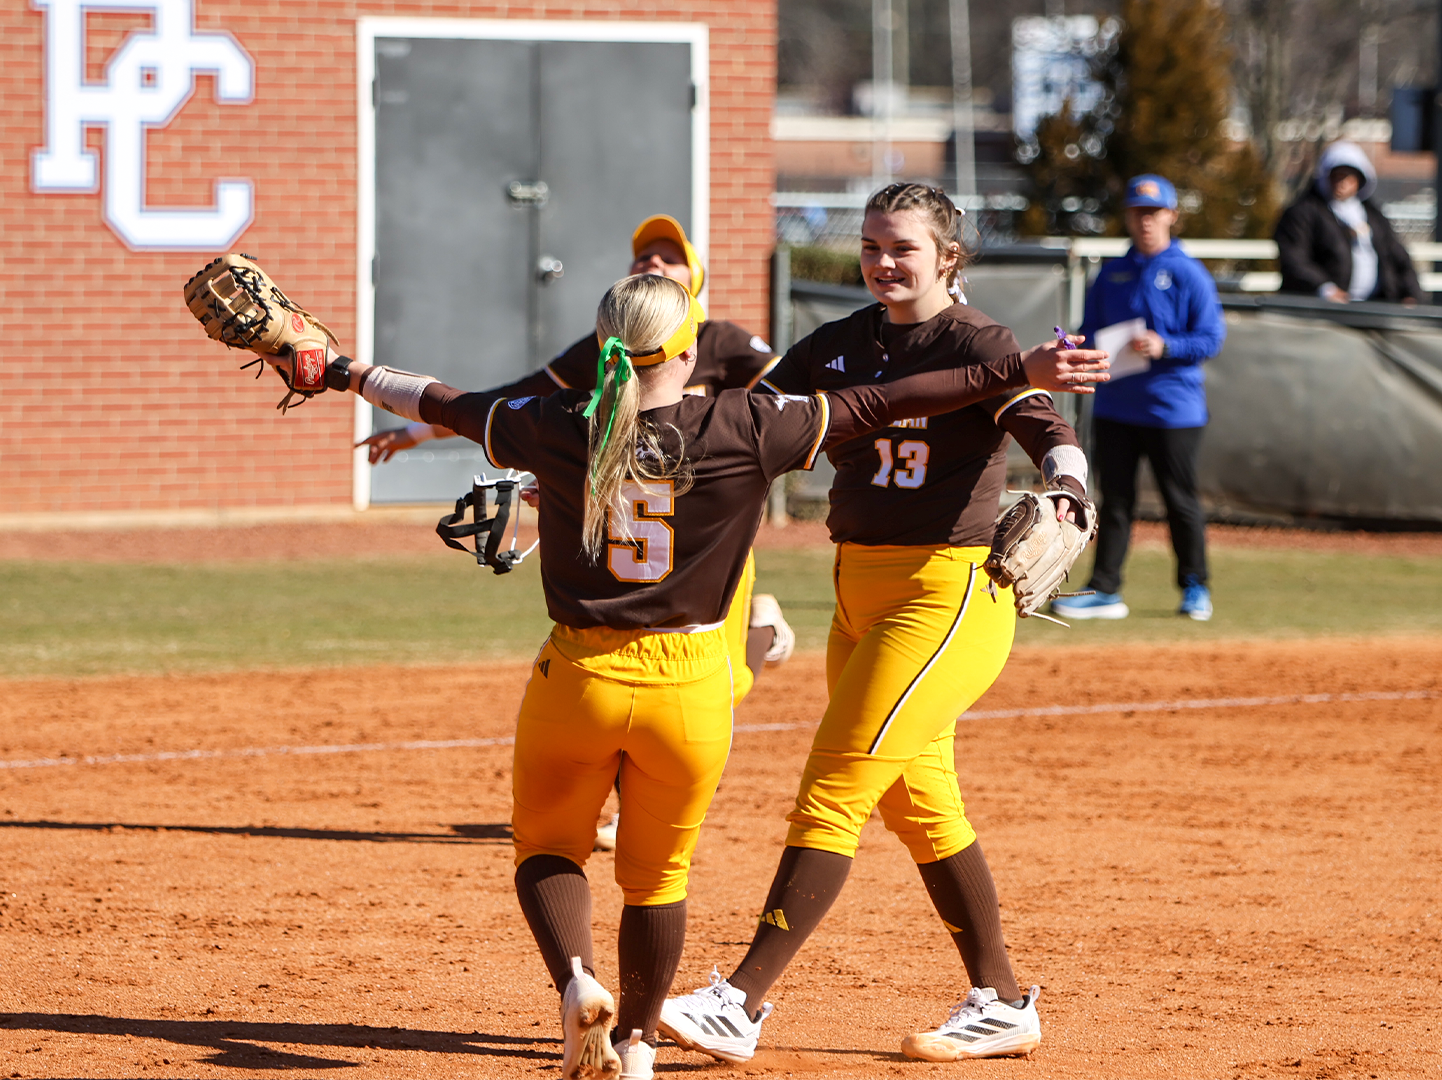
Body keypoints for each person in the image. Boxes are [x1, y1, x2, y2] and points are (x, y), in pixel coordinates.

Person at [304, 274, 1106, 1080]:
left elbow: (436, 398)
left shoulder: (556, 422)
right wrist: (1019, 370)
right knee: (662, 876)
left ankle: (594, 982)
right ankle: (642, 1044)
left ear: (604, 349)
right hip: (691, 686)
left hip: (579, 674)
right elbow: (888, 400)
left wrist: (339, 370)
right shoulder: (745, 424)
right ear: (691, 352)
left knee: (549, 846)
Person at [656, 183, 1094, 1065]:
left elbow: (1045, 425)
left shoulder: (979, 343)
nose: (883, 262)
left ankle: (740, 1000)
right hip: (856, 590)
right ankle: (1002, 1002)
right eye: (871, 246)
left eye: (903, 247)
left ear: (948, 257)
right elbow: (749, 419)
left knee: (835, 786)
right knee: (921, 805)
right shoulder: (839, 343)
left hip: (946, 594)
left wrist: (1069, 484)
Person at [361, 215, 795, 702]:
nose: (653, 262)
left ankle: (762, 630)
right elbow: (513, 400)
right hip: (621, 528)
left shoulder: (717, 341)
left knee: (727, 687)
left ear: (696, 278)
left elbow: (789, 391)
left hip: (706, 544)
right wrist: (418, 431)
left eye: (670, 258)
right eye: (644, 256)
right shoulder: (606, 348)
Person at [1054, 174, 1225, 623]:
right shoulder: (1113, 272)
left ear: (1171, 215)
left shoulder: (1189, 272)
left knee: (1179, 501)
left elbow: (1211, 338)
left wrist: (1165, 345)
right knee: (1115, 500)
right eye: (1137, 212)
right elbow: (1091, 331)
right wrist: (1076, 345)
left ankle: (1195, 586)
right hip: (1116, 405)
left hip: (1174, 409)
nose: (1145, 220)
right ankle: (1105, 589)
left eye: (1153, 212)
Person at [1274, 141, 1425, 304]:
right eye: (1337, 176)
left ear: (1360, 179)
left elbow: (1398, 257)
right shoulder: (1304, 213)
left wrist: (1411, 293)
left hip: (1375, 305)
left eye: (1348, 177)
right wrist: (1325, 289)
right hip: (1321, 308)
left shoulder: (1373, 215)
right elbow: (1293, 258)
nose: (1342, 183)